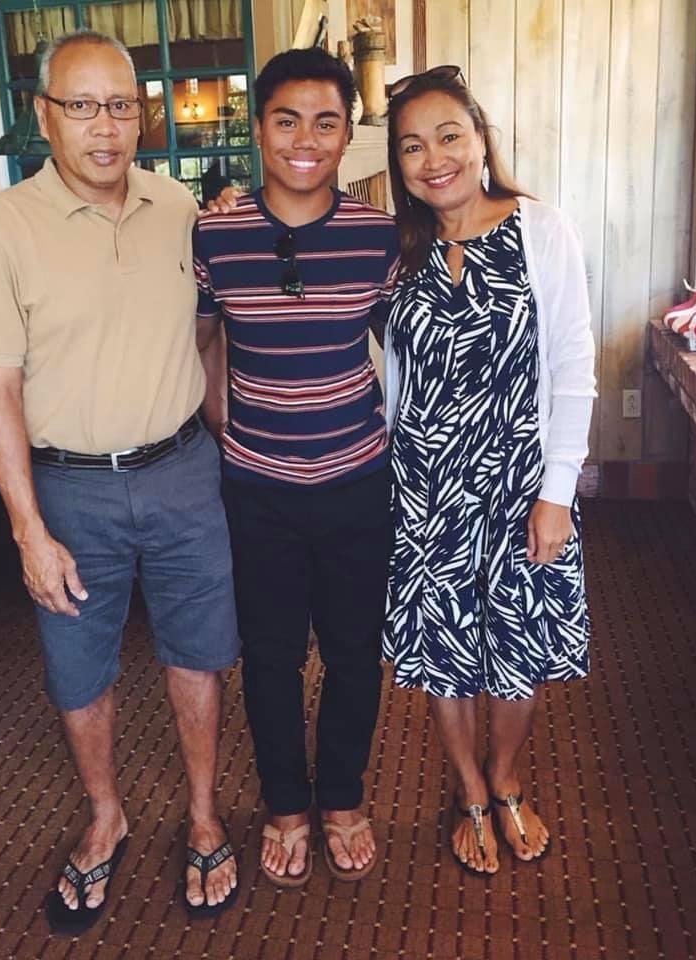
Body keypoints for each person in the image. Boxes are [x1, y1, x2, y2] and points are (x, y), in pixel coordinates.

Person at [0, 30, 240, 932]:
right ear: (45, 118)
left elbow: (207, 325)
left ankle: (201, 814)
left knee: (198, 652)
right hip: (69, 488)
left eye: (121, 105)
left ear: (142, 114)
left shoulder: (179, 204)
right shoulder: (1, 229)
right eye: (81, 107)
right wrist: (27, 531)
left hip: (184, 473)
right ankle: (105, 814)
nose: (105, 127)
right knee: (79, 666)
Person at [382, 66, 596, 875]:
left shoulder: (542, 230)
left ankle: (506, 779)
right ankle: (470, 789)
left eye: (448, 136)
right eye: (412, 146)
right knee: (445, 647)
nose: (432, 158)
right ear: (398, 163)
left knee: (517, 643)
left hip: (518, 488)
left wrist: (557, 493)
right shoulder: (397, 247)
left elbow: (573, 367)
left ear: (480, 140)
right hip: (427, 489)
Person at [194, 47, 400, 887]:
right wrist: (224, 422)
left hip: (358, 478)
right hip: (257, 488)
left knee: (356, 650)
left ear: (349, 134)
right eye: (287, 120)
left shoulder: (378, 234)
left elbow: (407, 347)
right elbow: (206, 341)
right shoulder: (214, 229)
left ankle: (343, 796)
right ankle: (285, 804)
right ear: (257, 127)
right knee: (270, 654)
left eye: (326, 122)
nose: (305, 139)